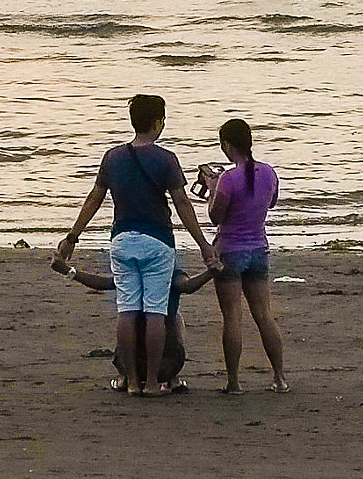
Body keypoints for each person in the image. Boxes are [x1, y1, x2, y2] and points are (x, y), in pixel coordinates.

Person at [56, 94, 221, 397]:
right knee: (156, 312)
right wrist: (203, 244)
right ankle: (152, 383)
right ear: (158, 123)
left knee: (127, 310)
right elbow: (182, 203)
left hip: (120, 240)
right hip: (157, 241)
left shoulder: (113, 157)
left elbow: (95, 197)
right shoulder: (166, 159)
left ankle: (131, 382)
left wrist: (71, 237)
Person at [200, 119, 289, 394]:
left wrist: (212, 186)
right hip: (258, 248)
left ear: (227, 145)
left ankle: (234, 381)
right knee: (264, 314)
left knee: (233, 318)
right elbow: (270, 203)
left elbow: (216, 216)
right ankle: (279, 377)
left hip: (230, 251)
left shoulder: (228, 178)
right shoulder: (269, 172)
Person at [50, 252, 215, 390]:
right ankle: (173, 379)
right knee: (172, 316)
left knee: (128, 316)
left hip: (129, 365)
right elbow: (188, 286)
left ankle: (124, 378)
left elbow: (101, 283)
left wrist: (68, 271)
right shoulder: (170, 273)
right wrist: (211, 272)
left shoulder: (131, 275)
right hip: (168, 365)